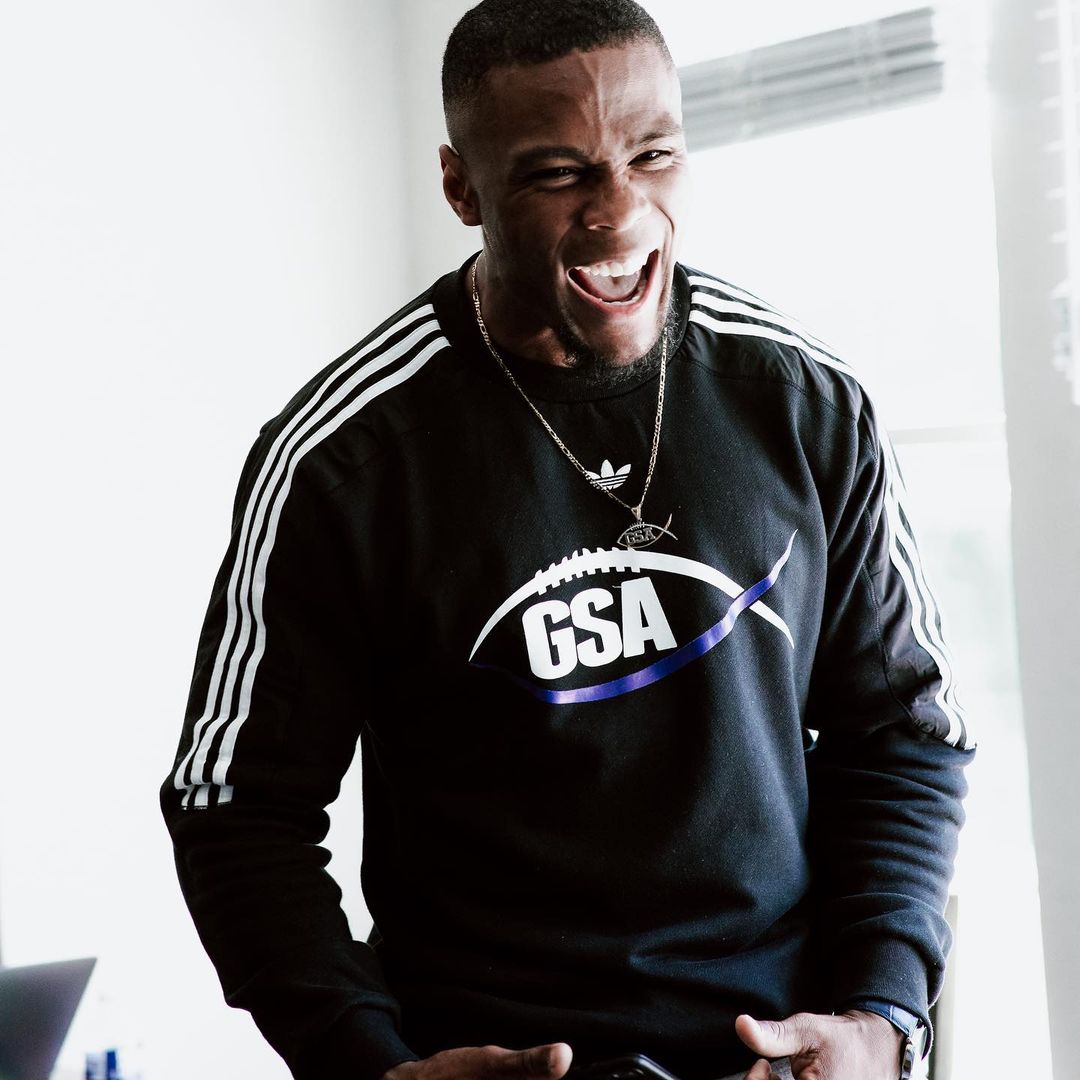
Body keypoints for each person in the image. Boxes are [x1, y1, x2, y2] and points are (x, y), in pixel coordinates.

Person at [161, 2, 974, 1078]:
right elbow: (235, 805)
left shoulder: (804, 402)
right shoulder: (342, 460)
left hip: (774, 1055)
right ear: (461, 187)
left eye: (654, 155)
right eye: (559, 174)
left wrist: (879, 1016)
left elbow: (906, 736)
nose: (621, 213)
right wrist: (365, 1060)